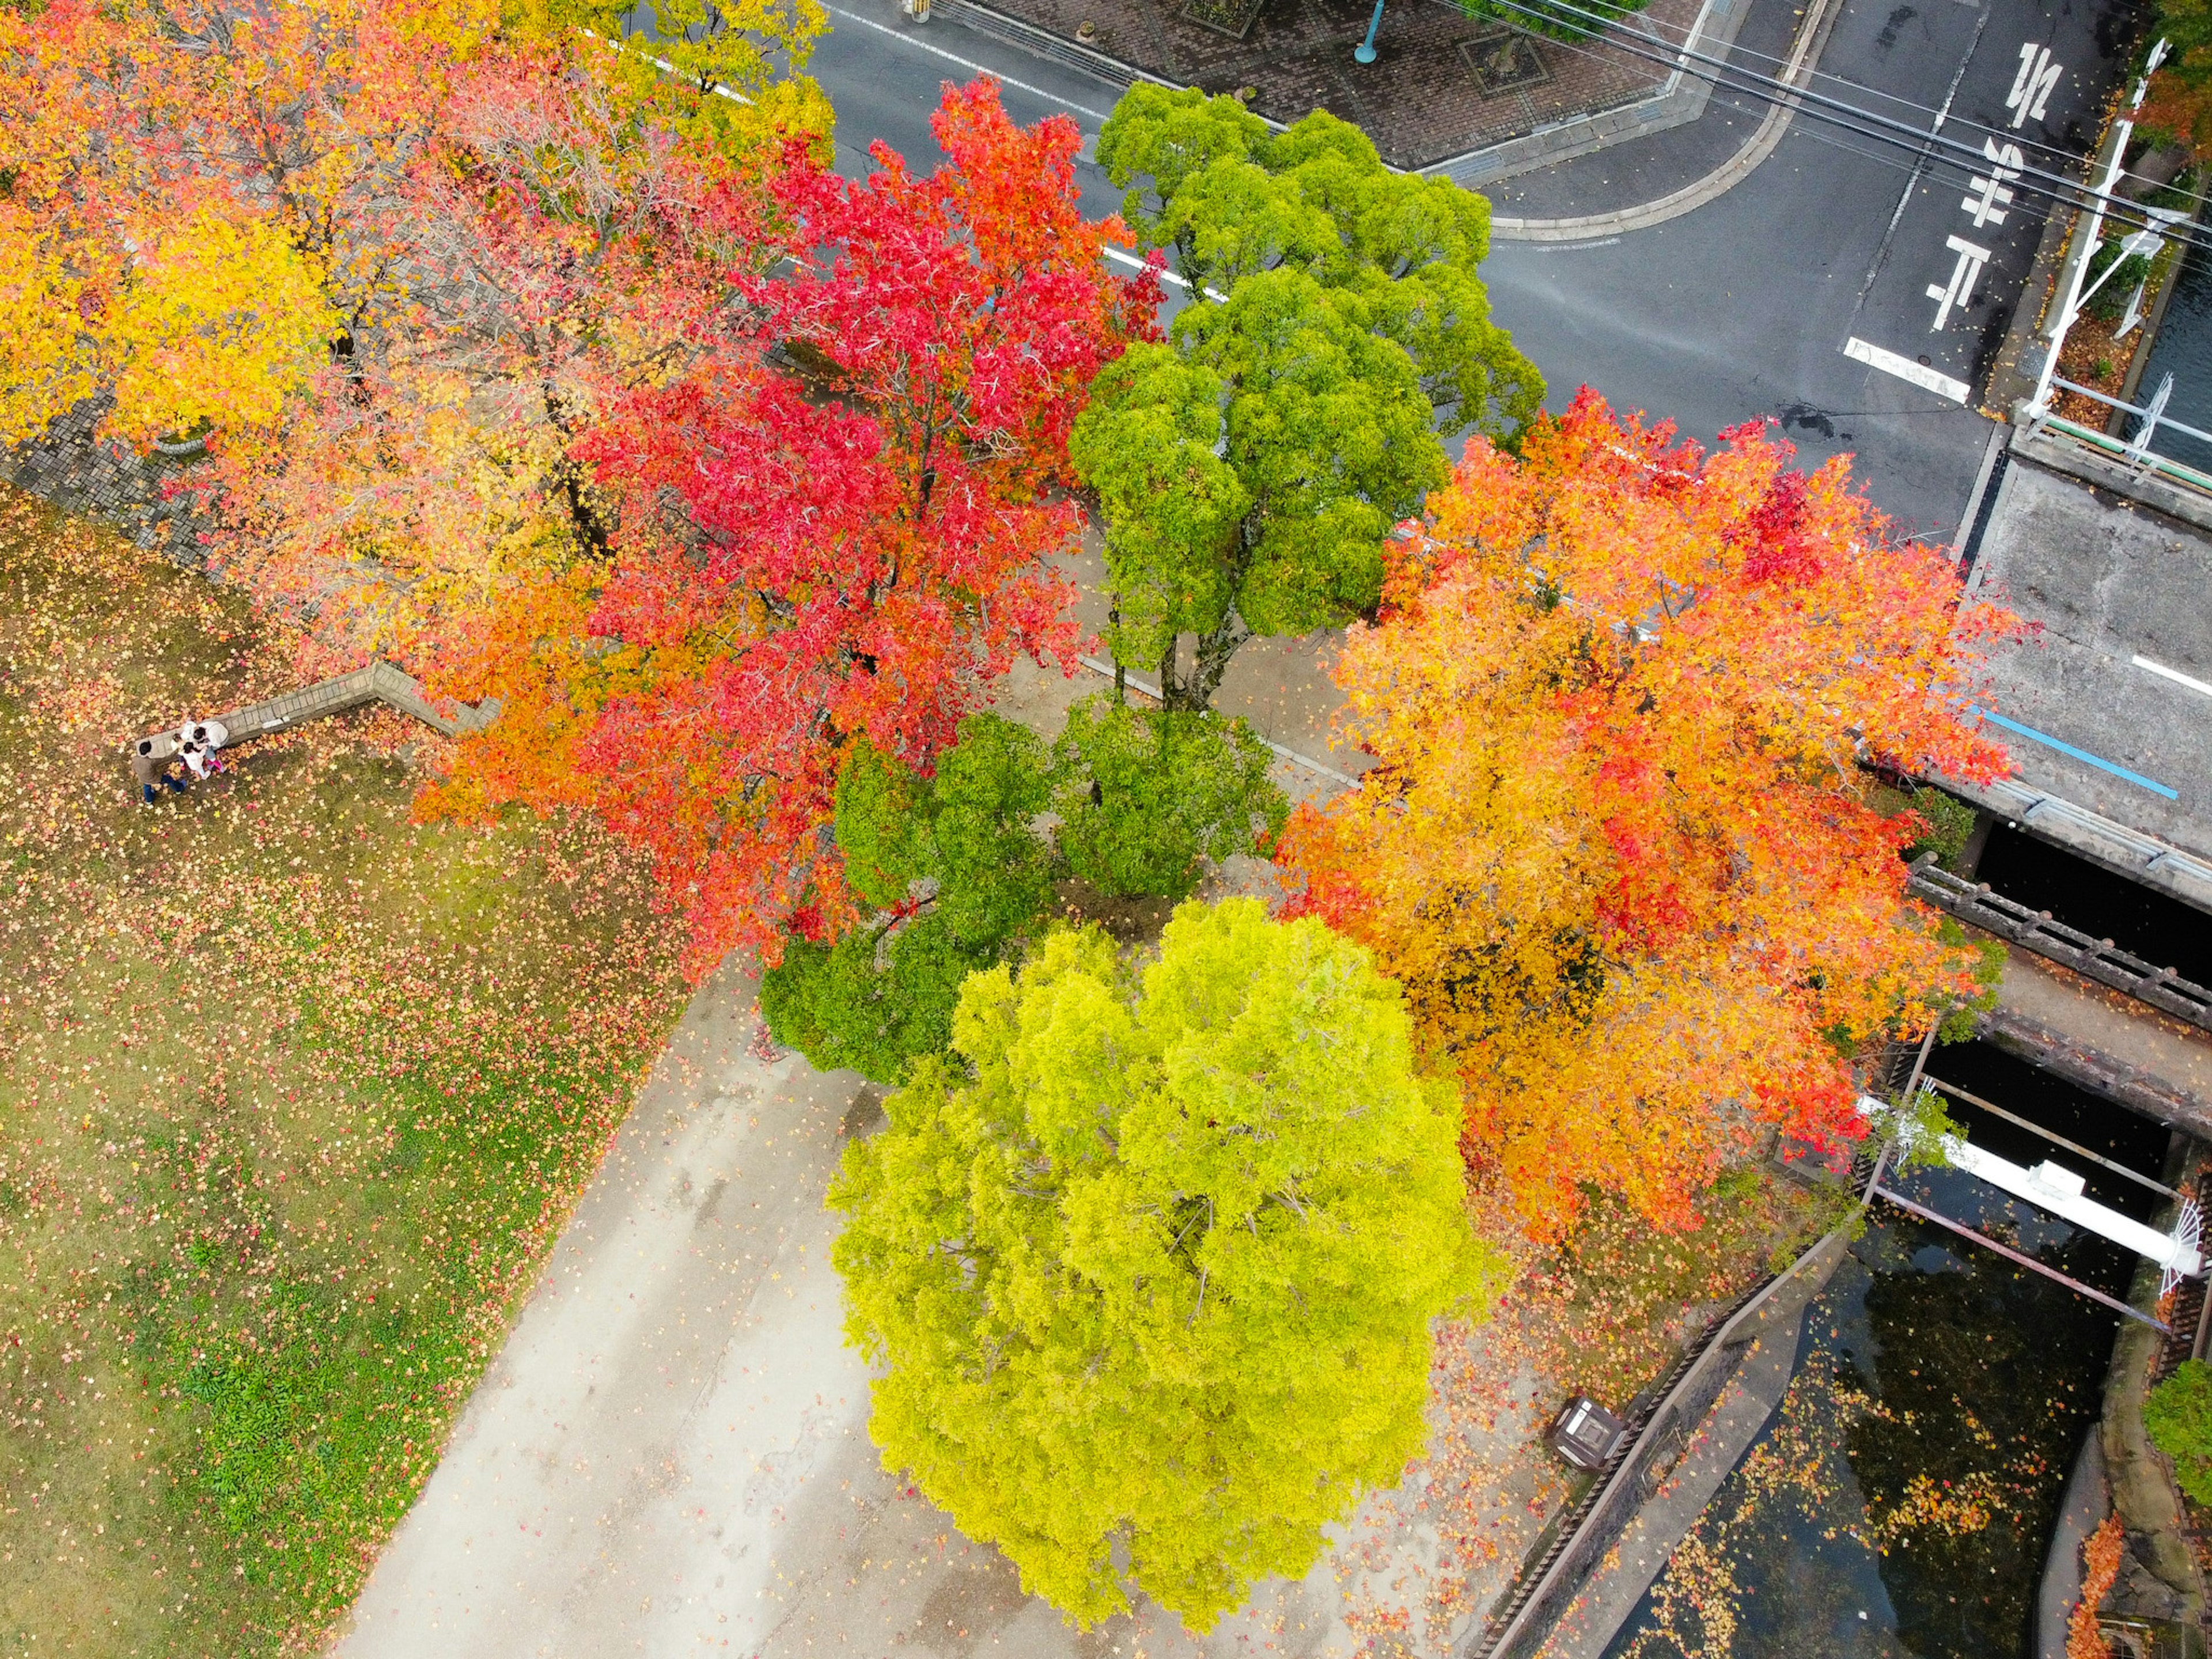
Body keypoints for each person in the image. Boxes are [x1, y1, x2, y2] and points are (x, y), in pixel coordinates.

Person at [131, 737, 186, 805]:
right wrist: (177, 750)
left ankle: (149, 800)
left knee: (147, 787)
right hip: (155, 778)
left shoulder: (135, 759)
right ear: (149, 751)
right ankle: (179, 789)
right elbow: (166, 759)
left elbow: (133, 767)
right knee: (169, 779)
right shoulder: (151, 762)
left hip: (143, 778)